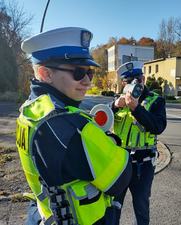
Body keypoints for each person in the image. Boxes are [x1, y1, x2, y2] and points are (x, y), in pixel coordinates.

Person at [16, 27, 132, 225]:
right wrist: (109, 142)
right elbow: (121, 177)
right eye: (78, 72)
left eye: (89, 72)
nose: (87, 81)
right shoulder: (71, 126)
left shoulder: (29, 111)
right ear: (45, 73)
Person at [109, 61, 167, 225]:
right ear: (123, 83)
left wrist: (136, 109)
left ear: (143, 79)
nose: (135, 84)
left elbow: (158, 126)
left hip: (143, 163)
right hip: (120, 162)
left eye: (138, 79)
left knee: (141, 206)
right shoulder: (118, 101)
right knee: (113, 205)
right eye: (129, 81)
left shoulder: (156, 101)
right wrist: (114, 105)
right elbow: (100, 118)